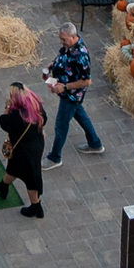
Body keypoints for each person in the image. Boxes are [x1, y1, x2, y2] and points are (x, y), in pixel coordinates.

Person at [45, 25, 104, 165]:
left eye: (64, 39)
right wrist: (52, 64)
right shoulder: (68, 46)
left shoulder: (81, 55)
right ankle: (95, 144)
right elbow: (63, 56)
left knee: (61, 125)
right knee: (81, 116)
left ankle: (54, 158)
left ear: (73, 36)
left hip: (71, 96)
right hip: (66, 92)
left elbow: (87, 81)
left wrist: (64, 87)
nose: (62, 42)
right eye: (60, 39)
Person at [0, 80, 47, 216]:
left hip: (25, 150)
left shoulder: (17, 115)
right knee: (14, 167)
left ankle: (36, 206)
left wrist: (6, 108)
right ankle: (3, 186)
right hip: (36, 144)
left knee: (30, 178)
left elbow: (4, 123)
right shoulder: (35, 104)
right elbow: (44, 118)